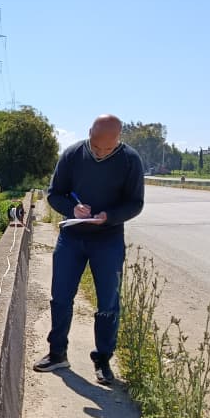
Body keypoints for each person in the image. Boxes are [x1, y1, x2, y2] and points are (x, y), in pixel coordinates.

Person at [32, 114, 144, 384]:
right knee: (60, 297)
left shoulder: (130, 160)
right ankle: (57, 353)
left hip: (108, 239)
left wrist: (109, 216)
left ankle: (103, 359)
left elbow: (135, 203)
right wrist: (72, 209)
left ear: (119, 139)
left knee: (108, 303)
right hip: (71, 238)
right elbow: (54, 193)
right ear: (89, 133)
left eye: (108, 148)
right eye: (96, 146)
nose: (101, 152)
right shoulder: (72, 155)